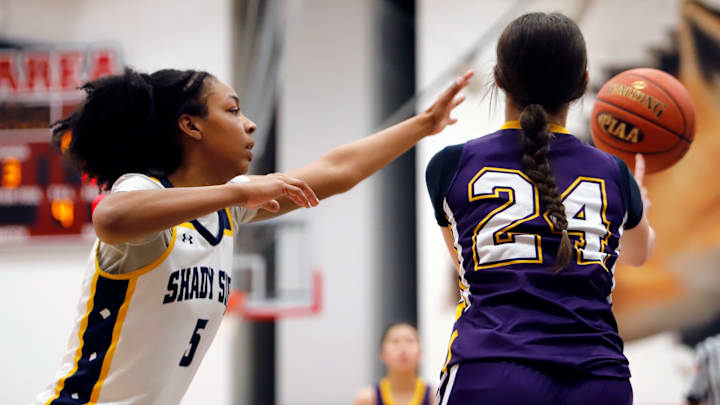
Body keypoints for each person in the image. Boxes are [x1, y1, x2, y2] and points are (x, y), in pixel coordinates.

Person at [33, 67, 472, 405]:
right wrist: (235, 191)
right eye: (232, 109)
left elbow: (338, 171)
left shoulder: (226, 211)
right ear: (191, 126)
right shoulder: (144, 192)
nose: (250, 124)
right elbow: (110, 216)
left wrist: (424, 124)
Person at [425, 12, 655, 405]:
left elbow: (467, 267)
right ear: (583, 82)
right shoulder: (614, 174)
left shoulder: (450, 166)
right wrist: (640, 206)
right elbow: (638, 253)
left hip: (492, 371)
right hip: (598, 378)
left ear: (497, 78)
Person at [353, 323, 434, 405]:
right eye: (395, 341)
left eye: (410, 341)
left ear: (420, 353)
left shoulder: (435, 397)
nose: (403, 347)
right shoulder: (367, 399)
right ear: (382, 353)